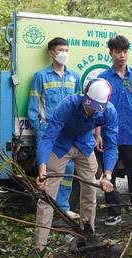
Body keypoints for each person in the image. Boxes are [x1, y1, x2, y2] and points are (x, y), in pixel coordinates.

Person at [33, 78, 117, 253]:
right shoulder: (69, 104)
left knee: (90, 191)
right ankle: (39, 247)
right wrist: (42, 170)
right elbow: (48, 137)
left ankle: (86, 239)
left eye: (95, 108)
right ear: (85, 96)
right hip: (61, 144)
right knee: (47, 195)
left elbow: (111, 144)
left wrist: (107, 175)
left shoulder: (108, 111)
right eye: (89, 105)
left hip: (85, 145)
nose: (90, 110)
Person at [97, 35, 132, 226]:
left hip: (131, 133)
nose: (122, 55)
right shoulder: (103, 79)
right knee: (108, 174)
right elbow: (97, 109)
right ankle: (113, 212)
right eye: (118, 51)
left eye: (125, 51)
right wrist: (98, 135)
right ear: (111, 53)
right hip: (109, 135)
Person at [28, 37, 81, 220]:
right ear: (51, 53)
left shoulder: (74, 76)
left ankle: (64, 208)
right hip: (49, 133)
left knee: (68, 170)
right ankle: (48, 210)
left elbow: (79, 105)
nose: (64, 53)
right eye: (60, 50)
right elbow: (33, 108)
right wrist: (41, 128)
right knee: (48, 172)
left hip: (68, 134)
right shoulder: (41, 76)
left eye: (66, 49)